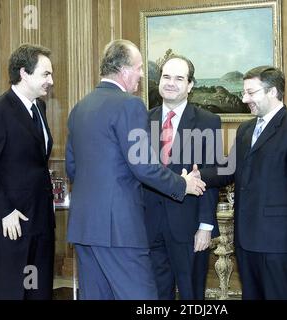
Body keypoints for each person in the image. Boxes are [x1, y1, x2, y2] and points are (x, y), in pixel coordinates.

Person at [65, 39, 206, 300]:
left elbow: (72, 168)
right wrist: (182, 184)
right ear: (125, 70)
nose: (142, 74)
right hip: (119, 229)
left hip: (84, 227)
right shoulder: (129, 105)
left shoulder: (79, 108)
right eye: (140, 68)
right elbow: (144, 166)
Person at [194, 66, 287, 299]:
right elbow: (229, 169)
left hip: (277, 242)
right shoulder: (245, 129)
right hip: (246, 238)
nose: (244, 99)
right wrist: (198, 176)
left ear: (272, 91)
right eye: (244, 92)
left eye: (251, 93)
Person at [0, 44, 55, 299]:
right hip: (12, 224)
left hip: (40, 221)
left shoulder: (39, 109)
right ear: (24, 73)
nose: (51, 81)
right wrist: (5, 211)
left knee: (38, 293)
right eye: (45, 74)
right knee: (13, 293)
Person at [144, 55, 221, 300]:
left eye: (179, 78)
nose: (171, 83)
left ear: (190, 85)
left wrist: (206, 226)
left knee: (191, 295)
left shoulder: (207, 121)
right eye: (166, 77)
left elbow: (210, 174)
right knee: (155, 295)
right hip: (149, 225)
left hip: (189, 227)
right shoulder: (144, 119)